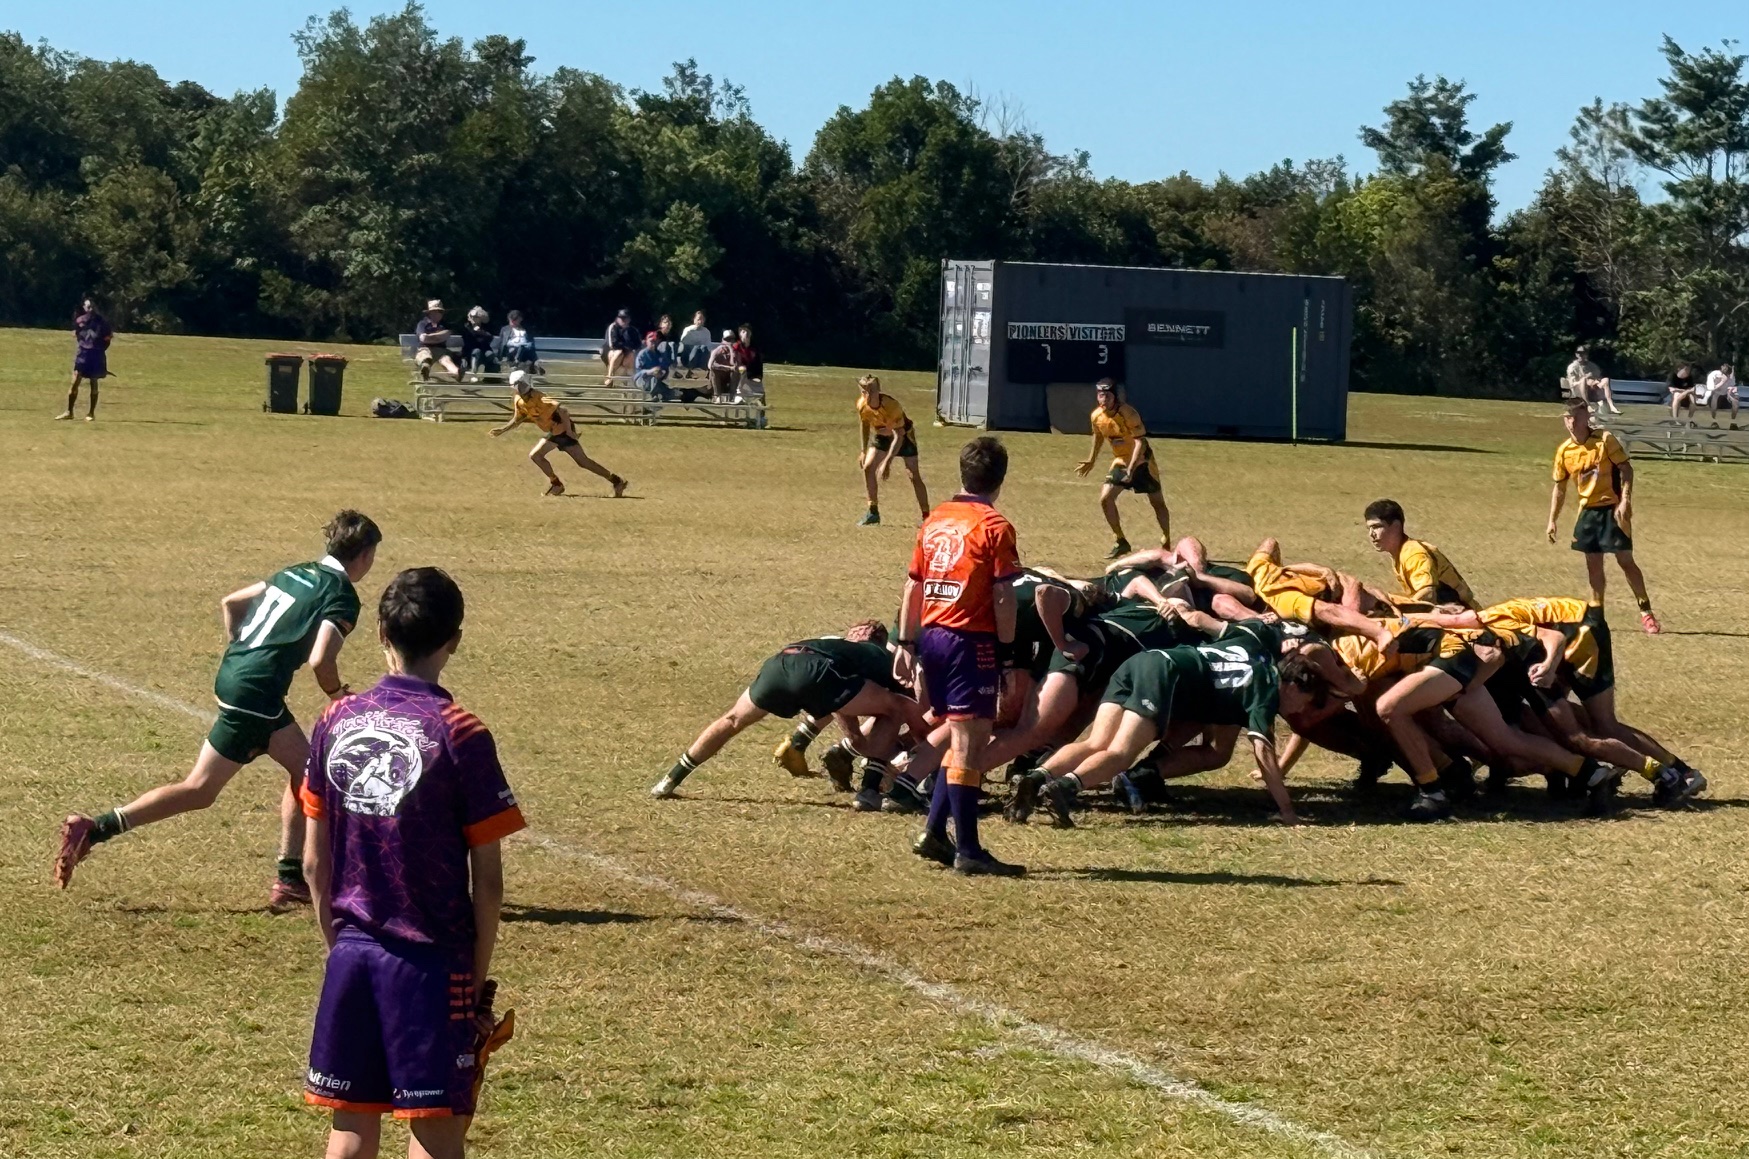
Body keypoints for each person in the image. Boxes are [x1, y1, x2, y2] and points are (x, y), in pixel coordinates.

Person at [301, 566, 525, 1157]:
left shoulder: (333, 719)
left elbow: (312, 864)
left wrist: (339, 947)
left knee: (349, 1130)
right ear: (455, 638)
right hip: (431, 967)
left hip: (351, 958)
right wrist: (472, 981)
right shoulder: (460, 732)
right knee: (436, 1131)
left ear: (379, 632)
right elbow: (491, 885)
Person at [55, 512, 382, 908]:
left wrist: (241, 651)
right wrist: (337, 693)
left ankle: (94, 829)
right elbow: (320, 658)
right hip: (257, 696)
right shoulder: (341, 594)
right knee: (312, 777)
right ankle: (305, 877)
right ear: (364, 555)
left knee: (209, 788)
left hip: (235, 680)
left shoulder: (294, 572)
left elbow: (232, 602)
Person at [898, 437, 1025, 876]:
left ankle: (935, 831)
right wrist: (1008, 657)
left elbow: (914, 584)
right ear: (1000, 479)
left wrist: (906, 642)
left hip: (932, 635)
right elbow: (1004, 595)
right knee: (971, 745)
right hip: (970, 642)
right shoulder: (995, 526)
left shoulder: (936, 518)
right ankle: (968, 851)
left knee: (959, 738)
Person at [652, 621, 929, 811]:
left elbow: (838, 701)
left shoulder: (834, 642)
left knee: (732, 720)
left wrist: (855, 736)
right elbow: (909, 710)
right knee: (894, 708)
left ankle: (670, 779)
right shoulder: (880, 656)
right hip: (817, 670)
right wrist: (925, 754)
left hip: (780, 663)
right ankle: (868, 791)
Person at [1547, 398, 1659, 634]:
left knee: (1626, 562)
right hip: (1588, 513)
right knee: (1594, 567)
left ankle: (1646, 612)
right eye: (1568, 417)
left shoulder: (1604, 440)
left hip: (1613, 509)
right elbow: (1560, 486)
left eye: (1576, 416)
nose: (1571, 422)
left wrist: (1626, 500)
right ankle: (1598, 615)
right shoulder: (1564, 451)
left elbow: (1627, 469)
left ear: (1586, 416)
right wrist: (1552, 520)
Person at [490, 370, 627, 498]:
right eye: (518, 385)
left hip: (561, 431)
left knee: (545, 457)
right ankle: (616, 481)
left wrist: (569, 432)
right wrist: (503, 429)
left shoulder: (538, 396)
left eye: (522, 384)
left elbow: (563, 411)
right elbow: (517, 419)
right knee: (581, 462)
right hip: (554, 432)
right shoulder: (519, 401)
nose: (521, 388)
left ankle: (558, 485)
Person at [1076, 379, 1170, 559]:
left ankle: (1166, 538)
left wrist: (1132, 468)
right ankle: (1120, 540)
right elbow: (1098, 437)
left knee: (1157, 502)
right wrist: (1091, 459)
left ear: (1115, 396)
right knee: (1105, 498)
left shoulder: (1128, 413)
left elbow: (1139, 442)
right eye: (1100, 395)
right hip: (1121, 461)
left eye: (1107, 395)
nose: (1103, 399)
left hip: (1142, 462)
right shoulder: (1097, 416)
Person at [1362, 499, 1479, 610]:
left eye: (1377, 527)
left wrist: (1398, 613)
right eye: (1369, 528)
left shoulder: (1414, 554)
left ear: (1396, 527)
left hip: (1464, 618)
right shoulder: (1401, 553)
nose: (1371, 534)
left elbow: (1428, 594)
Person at [855, 374, 930, 526]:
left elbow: (899, 435)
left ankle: (926, 516)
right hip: (882, 434)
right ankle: (873, 512)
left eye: (871, 391)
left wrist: (887, 463)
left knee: (913, 474)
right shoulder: (862, 405)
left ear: (879, 390)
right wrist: (863, 450)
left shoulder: (892, 406)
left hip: (903, 435)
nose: (867, 395)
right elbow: (864, 424)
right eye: (864, 391)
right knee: (868, 468)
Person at [58, 297, 112, 421]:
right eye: (88, 306)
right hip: (82, 354)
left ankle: (91, 413)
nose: (91, 309)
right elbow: (77, 335)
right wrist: (84, 347)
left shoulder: (103, 323)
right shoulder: (80, 321)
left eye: (92, 306)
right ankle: (69, 412)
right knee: (75, 381)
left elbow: (107, 339)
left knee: (94, 382)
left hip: (96, 355)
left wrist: (99, 350)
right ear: (84, 308)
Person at [415, 300, 464, 383]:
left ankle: (456, 373)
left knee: (446, 360)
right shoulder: (423, 323)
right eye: (434, 312)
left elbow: (446, 335)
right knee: (425, 356)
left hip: (442, 351)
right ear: (429, 313)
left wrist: (430, 337)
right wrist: (438, 336)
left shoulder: (445, 324)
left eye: (439, 312)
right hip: (425, 348)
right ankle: (425, 368)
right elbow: (423, 338)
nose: (437, 314)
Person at [1564, 345, 1620, 415]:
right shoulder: (1572, 367)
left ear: (1586, 354)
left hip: (1593, 390)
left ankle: (1611, 406)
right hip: (1578, 392)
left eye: (1583, 352)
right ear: (1576, 354)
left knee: (1605, 380)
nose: (1580, 355)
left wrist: (1596, 381)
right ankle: (1588, 405)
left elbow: (1598, 377)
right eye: (1578, 352)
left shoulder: (1592, 366)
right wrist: (1584, 381)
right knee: (1583, 380)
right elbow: (1572, 384)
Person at [633, 331, 674, 398]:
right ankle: (658, 398)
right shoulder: (642, 354)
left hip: (656, 380)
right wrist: (650, 371)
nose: (653, 343)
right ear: (646, 341)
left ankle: (661, 397)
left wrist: (662, 372)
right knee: (655, 383)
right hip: (641, 380)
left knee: (656, 383)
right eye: (651, 341)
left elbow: (665, 368)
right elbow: (638, 371)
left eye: (655, 341)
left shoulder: (660, 354)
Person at [603, 309, 639, 384]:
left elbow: (637, 344)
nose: (624, 320)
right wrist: (626, 347)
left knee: (631, 354)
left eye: (625, 318)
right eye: (621, 318)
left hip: (627, 353)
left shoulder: (632, 330)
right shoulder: (613, 327)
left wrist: (628, 348)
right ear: (617, 319)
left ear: (629, 319)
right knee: (619, 352)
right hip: (611, 352)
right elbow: (612, 344)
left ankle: (630, 379)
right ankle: (609, 376)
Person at [460, 307, 498, 377]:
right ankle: (474, 374)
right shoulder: (466, 326)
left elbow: (490, 338)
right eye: (471, 317)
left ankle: (490, 376)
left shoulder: (485, 327)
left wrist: (480, 331)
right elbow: (468, 340)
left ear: (480, 318)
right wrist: (476, 331)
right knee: (476, 351)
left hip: (484, 350)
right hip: (470, 351)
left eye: (475, 317)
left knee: (490, 355)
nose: (473, 318)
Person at [732, 324, 765, 402]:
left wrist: (758, 377)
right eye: (743, 332)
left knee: (761, 393)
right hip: (738, 373)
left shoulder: (755, 348)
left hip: (751, 375)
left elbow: (759, 364)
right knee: (742, 369)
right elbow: (734, 361)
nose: (746, 334)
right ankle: (738, 393)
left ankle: (761, 413)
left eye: (747, 332)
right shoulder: (736, 347)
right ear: (740, 334)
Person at [1700, 363, 1738, 429]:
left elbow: (1732, 386)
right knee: (1714, 398)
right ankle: (1714, 421)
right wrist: (1722, 382)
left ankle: (1733, 422)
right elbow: (1710, 388)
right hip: (1714, 393)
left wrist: (1731, 392)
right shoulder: (1713, 375)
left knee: (1735, 402)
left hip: (1726, 392)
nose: (1728, 376)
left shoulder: (1731, 376)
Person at [678, 310, 713, 377]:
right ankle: (690, 369)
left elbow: (708, 345)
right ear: (694, 320)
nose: (700, 321)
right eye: (698, 319)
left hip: (700, 355)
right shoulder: (688, 330)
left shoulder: (706, 331)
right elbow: (682, 344)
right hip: (688, 355)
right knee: (696, 347)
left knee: (703, 347)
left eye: (702, 319)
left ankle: (701, 369)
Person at [707, 330, 739, 399]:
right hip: (718, 378)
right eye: (727, 339)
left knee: (736, 371)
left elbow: (734, 364)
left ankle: (732, 396)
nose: (729, 342)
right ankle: (717, 396)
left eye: (732, 339)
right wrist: (728, 368)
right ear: (722, 340)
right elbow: (710, 365)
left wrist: (731, 350)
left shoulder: (737, 351)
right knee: (714, 371)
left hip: (731, 379)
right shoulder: (716, 350)